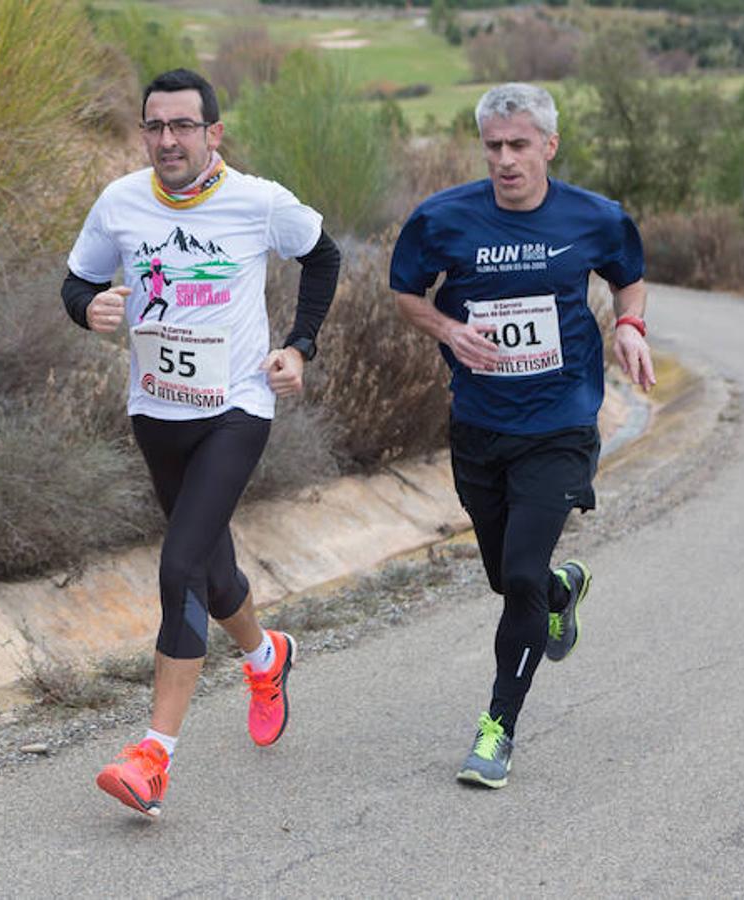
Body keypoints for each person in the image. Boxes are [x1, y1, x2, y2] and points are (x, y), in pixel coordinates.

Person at [61, 68, 341, 817]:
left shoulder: (257, 201)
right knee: (212, 574)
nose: (167, 139)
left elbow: (323, 256)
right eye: (154, 126)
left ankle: (154, 755)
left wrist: (299, 347)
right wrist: (88, 307)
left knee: (179, 563)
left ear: (212, 134)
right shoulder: (119, 202)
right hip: (155, 411)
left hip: (236, 407)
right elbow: (76, 283)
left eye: (183, 125)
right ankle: (264, 655)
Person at [389, 83, 655, 789]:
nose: (505, 160)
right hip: (479, 423)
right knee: (509, 579)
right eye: (493, 147)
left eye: (518, 145)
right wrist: (447, 329)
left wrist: (629, 325)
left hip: (561, 421)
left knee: (518, 580)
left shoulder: (594, 217)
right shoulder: (442, 219)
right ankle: (562, 590)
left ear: (548, 145)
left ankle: (496, 729)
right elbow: (405, 294)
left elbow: (628, 278)